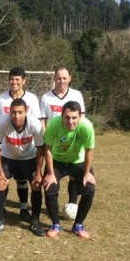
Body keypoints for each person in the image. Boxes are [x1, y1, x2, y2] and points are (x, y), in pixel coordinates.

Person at [0, 66, 42, 222]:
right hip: (8, 148)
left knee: (25, 181)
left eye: (17, 80)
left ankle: (24, 210)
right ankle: (1, 214)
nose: (14, 82)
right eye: (11, 79)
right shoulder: (1, 99)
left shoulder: (32, 99)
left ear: (24, 81)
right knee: (2, 181)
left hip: (27, 148)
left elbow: (35, 124)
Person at [0, 98, 46, 236]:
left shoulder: (35, 124)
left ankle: (34, 221)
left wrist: (38, 172)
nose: (16, 116)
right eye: (14, 112)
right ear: (9, 112)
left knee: (36, 184)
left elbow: (40, 149)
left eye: (20, 112)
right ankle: (0, 220)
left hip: (29, 158)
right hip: (8, 158)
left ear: (26, 111)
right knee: (1, 183)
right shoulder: (3, 122)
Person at [42, 101, 96, 239]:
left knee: (89, 188)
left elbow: (89, 150)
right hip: (57, 161)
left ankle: (78, 225)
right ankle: (55, 224)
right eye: (67, 117)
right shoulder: (54, 124)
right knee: (50, 187)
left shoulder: (87, 126)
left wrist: (87, 173)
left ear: (79, 117)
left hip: (78, 162)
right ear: (62, 116)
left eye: (74, 118)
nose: (70, 121)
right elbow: (47, 149)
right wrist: (50, 173)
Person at [39, 67, 86, 221]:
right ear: (54, 79)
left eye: (64, 78)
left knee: (74, 177)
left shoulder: (76, 95)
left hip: (73, 144)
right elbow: (43, 121)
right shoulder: (46, 97)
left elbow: (81, 120)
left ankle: (73, 204)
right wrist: (48, 141)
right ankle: (53, 206)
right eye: (59, 78)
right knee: (52, 176)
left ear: (70, 78)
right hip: (54, 145)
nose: (61, 81)